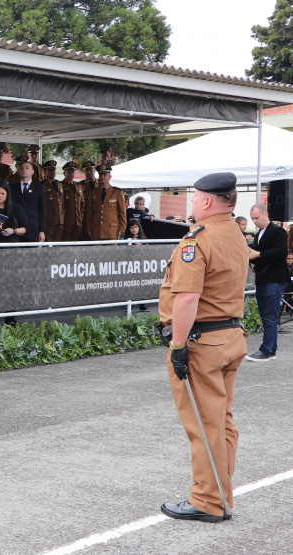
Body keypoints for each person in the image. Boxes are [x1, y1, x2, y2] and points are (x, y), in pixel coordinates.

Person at [159, 172, 248, 524]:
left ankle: (208, 500)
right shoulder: (236, 235)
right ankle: (221, 495)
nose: (193, 203)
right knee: (222, 421)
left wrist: (178, 346)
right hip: (230, 336)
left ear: (208, 201)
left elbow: (187, 299)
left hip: (202, 343)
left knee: (203, 423)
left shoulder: (197, 240)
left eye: (194, 198)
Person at [246, 204, 290, 361]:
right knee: (267, 315)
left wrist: (258, 254)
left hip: (274, 279)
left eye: (257, 218)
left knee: (269, 315)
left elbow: (281, 252)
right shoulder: (260, 233)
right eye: (252, 219)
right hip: (264, 278)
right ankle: (271, 350)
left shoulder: (277, 230)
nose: (255, 221)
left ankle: (265, 350)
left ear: (266, 214)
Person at [85, 163, 127, 241]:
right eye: (100, 174)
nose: (102, 177)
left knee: (111, 253)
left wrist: (122, 229)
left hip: (112, 232)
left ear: (110, 176)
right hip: (97, 231)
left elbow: (122, 213)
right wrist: (89, 229)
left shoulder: (117, 192)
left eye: (105, 174)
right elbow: (89, 213)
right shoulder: (93, 193)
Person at [9, 158, 46, 242]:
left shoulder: (39, 188)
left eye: (27, 167)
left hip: (33, 229)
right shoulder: (12, 188)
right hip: (16, 228)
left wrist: (41, 231)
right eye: (21, 168)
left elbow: (43, 211)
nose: (24, 170)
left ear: (32, 171)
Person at [60, 161, 85, 242]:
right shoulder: (60, 185)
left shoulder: (78, 186)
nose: (72, 173)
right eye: (69, 171)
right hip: (66, 221)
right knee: (65, 243)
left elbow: (82, 203)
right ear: (64, 173)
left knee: (75, 243)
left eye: (73, 171)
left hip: (77, 220)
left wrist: (81, 216)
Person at [42, 160, 65, 242]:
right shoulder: (42, 185)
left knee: (58, 245)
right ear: (45, 171)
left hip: (60, 220)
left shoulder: (59, 184)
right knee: (48, 244)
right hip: (49, 221)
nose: (52, 172)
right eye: (50, 170)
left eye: (54, 169)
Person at [79, 161, 98, 240]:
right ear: (84, 171)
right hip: (85, 220)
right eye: (87, 170)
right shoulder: (80, 185)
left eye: (91, 170)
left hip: (98, 219)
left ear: (94, 171)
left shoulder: (101, 184)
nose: (89, 172)